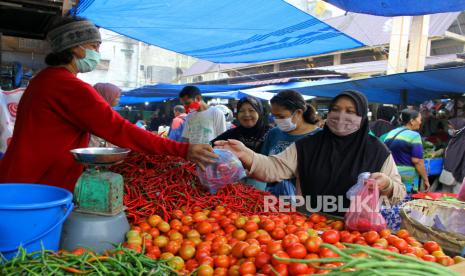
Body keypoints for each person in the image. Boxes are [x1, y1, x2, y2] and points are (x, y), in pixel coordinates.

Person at [0, 16, 216, 192]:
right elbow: (119, 130)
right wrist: (182, 149)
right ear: (76, 48)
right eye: (95, 45)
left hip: (20, 177)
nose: (97, 52)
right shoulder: (69, 86)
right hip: (37, 186)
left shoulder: (43, 79)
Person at [216, 90, 406, 215]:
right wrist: (247, 155)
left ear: (363, 117)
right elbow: (274, 167)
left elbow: (399, 194)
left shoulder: (377, 151)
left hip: (357, 228)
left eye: (351, 111)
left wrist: (387, 184)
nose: (341, 116)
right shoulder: (308, 145)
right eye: (336, 110)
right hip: (310, 225)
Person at [260, 90, 321, 197]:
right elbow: (264, 162)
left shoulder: (319, 136)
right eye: (274, 116)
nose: (277, 120)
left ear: (298, 113)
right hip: (272, 197)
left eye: (281, 117)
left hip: (306, 199)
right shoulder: (274, 133)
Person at [384, 109, 430, 194]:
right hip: (407, 178)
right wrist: (425, 179)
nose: (420, 122)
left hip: (391, 174)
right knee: (406, 204)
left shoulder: (391, 133)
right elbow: (417, 161)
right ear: (412, 121)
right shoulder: (414, 136)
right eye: (419, 119)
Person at [89, 83, 121, 147]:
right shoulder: (98, 114)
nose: (119, 100)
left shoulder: (108, 112)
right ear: (108, 96)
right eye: (117, 97)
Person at [438, 118, 465, 193]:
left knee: (457, 200)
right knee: (445, 198)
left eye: (451, 128)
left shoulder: (463, 141)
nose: (449, 130)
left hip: (459, 175)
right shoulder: (452, 139)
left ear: (458, 127)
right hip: (447, 173)